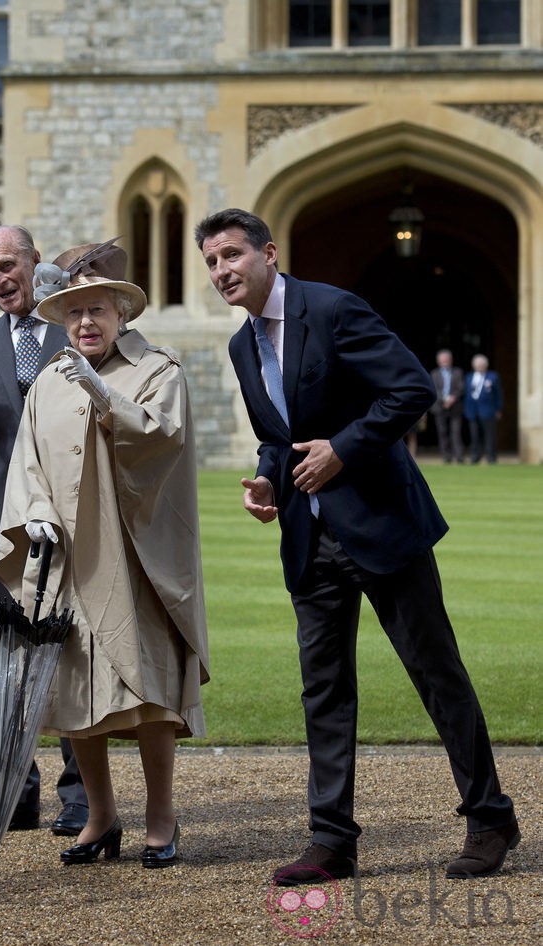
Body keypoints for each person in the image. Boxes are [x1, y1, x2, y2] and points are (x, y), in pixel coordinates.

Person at [194, 208, 519, 885]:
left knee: (437, 673)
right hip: (309, 535)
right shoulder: (240, 346)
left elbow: (411, 390)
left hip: (381, 523)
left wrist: (343, 451)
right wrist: (267, 478)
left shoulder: (334, 309)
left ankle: (490, 817)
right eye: (211, 261)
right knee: (325, 690)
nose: (222, 270)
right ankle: (332, 839)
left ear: (268, 254)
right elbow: (279, 436)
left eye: (231, 255)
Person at [0, 242, 210, 869]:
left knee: (147, 692)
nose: (86, 322)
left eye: (98, 310)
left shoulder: (158, 371)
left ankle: (162, 817)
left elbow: (162, 438)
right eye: (74, 312)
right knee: (75, 690)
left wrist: (104, 396)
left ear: (121, 312)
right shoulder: (49, 382)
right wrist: (32, 511)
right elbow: (28, 456)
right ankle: (102, 814)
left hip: (134, 556)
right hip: (64, 559)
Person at [0, 225, 89, 837]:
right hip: (0, 528)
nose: (0, 280)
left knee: (73, 662)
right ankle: (13, 794)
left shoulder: (78, 329)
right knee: (4, 666)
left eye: (8, 265)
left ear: (34, 262)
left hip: (73, 522)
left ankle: (82, 798)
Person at [465, 354, 503, 464]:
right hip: (472, 411)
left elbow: (499, 394)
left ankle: (491, 457)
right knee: (474, 435)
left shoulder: (493, 376)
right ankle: (475, 456)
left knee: (490, 435)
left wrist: (498, 409)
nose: (480, 367)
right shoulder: (469, 377)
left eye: (482, 365)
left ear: (486, 365)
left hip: (488, 411)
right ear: (474, 366)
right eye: (478, 365)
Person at [430, 349, 466, 463]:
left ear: (451, 360)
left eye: (447, 359)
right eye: (442, 360)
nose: (445, 362)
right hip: (440, 407)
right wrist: (444, 399)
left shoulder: (458, 372)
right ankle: (447, 456)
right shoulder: (434, 374)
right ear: (438, 361)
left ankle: (459, 456)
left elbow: (461, 388)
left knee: (456, 432)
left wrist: (452, 398)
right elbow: (434, 389)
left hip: (455, 407)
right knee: (442, 432)